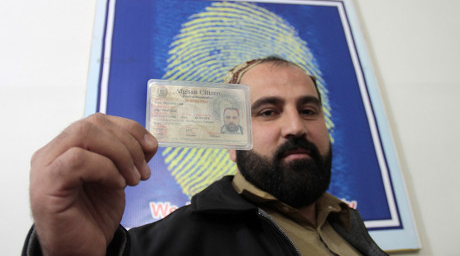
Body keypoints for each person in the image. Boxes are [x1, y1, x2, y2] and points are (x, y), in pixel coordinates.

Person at [23, 57, 387, 256]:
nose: (296, 126)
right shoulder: (174, 243)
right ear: (230, 141)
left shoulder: (346, 223)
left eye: (309, 110)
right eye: (267, 112)